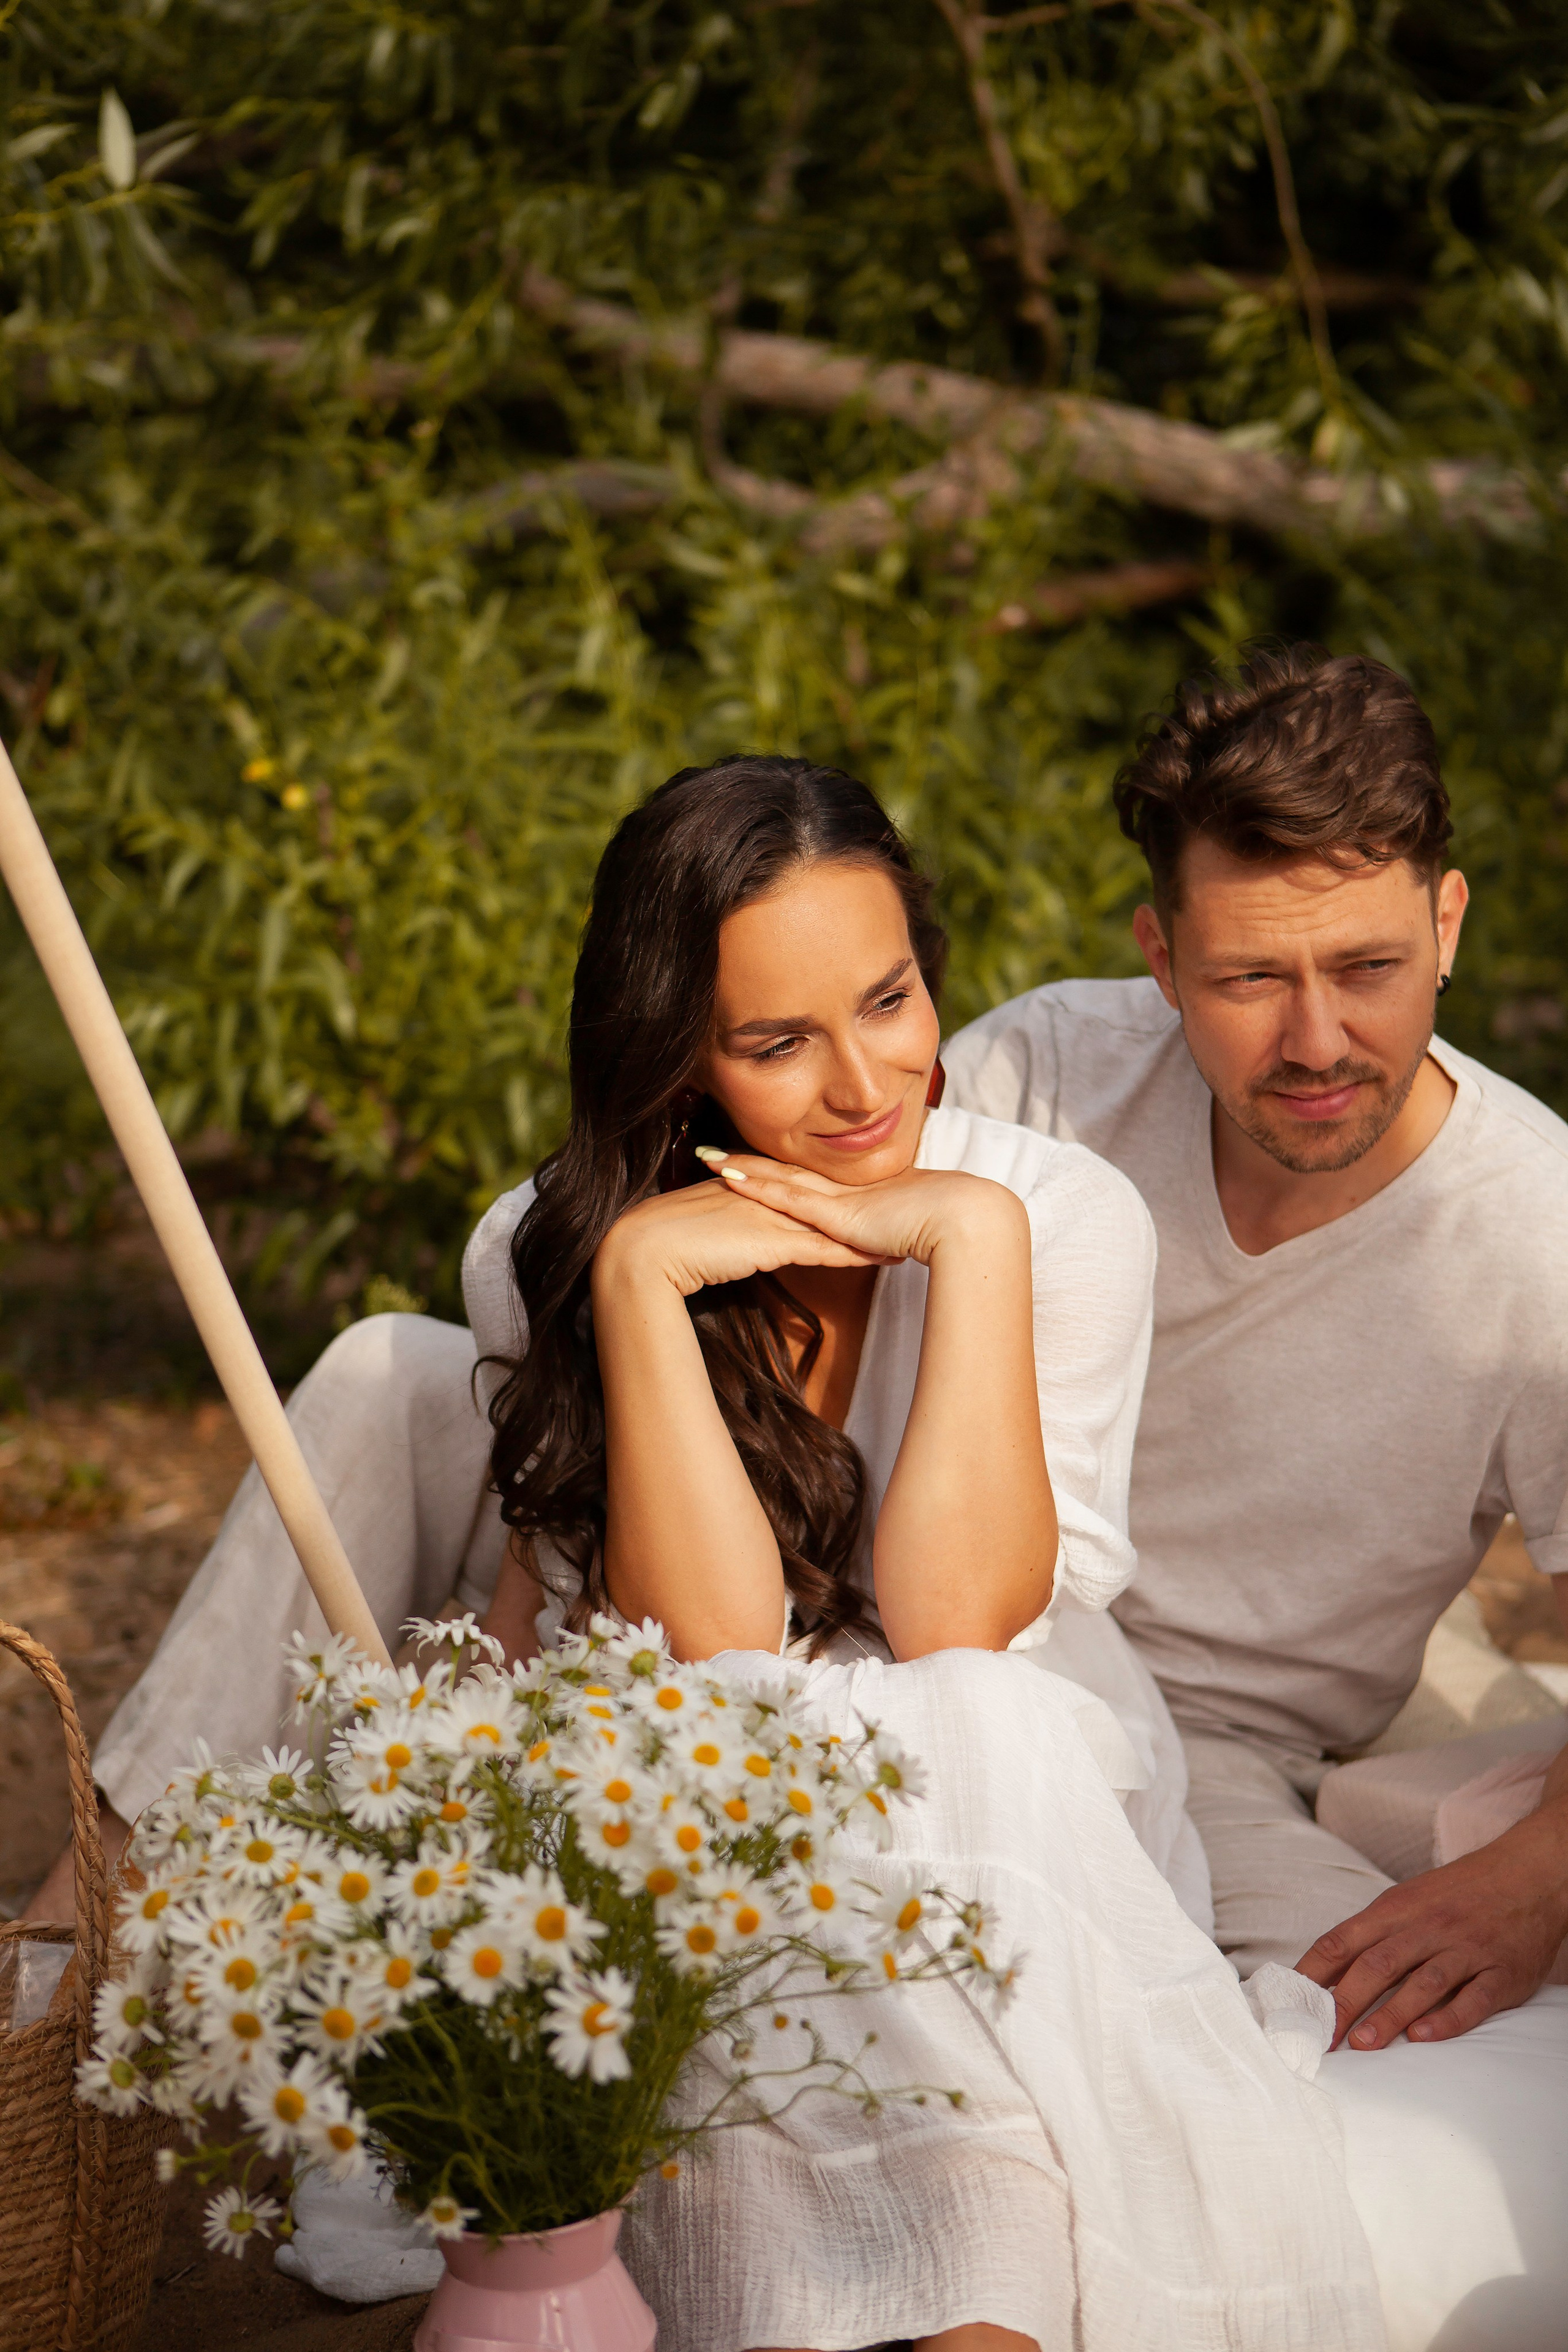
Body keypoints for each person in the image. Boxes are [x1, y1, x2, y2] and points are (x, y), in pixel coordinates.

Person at [72, 756, 1383, 2352]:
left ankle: (974, 2295)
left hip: (1008, 1784)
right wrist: (637, 1279)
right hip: (717, 1761)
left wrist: (968, 1240)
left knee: (955, 1716)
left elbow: (961, 1625)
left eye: (889, 1001)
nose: (864, 1084)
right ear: (677, 1059)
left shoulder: (1054, 1213)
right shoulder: (543, 1243)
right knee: (733, 1756)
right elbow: (709, 1662)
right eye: (776, 1043)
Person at [943, 644, 1568, 2054]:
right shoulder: (1041, 1077)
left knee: (1401, 2064)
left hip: (1212, 1762)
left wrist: (1533, 1882)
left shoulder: (1537, 1236)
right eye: (1246, 978)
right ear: (1161, 959)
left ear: (1447, 926)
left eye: (1366, 967)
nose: (1314, 1041)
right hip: (936, 1663)